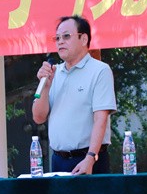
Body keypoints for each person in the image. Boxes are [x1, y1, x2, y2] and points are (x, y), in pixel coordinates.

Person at [32, 15, 117, 175]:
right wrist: (45, 87)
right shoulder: (54, 72)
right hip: (58, 160)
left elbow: (101, 119)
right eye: (57, 38)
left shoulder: (100, 70)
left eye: (66, 36)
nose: (60, 42)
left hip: (89, 159)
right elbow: (38, 117)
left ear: (83, 39)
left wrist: (91, 157)